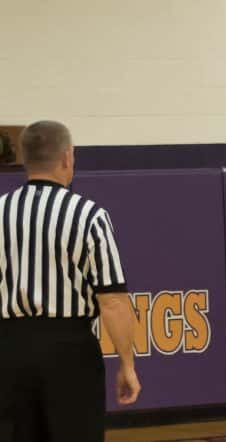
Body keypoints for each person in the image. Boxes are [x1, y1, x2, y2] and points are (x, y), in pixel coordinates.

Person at [0, 121, 141, 442]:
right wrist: (127, 365)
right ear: (67, 157)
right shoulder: (89, 216)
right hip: (70, 352)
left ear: (25, 158)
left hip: (8, 350)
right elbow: (113, 300)